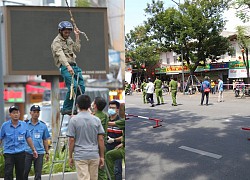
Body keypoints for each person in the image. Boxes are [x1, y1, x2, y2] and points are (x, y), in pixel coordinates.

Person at [51, 21, 85, 115]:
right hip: (65, 67)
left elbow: (77, 49)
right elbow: (61, 55)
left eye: (69, 32)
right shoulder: (56, 42)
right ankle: (66, 108)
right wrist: (68, 66)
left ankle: (76, 106)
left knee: (81, 87)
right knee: (73, 86)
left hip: (74, 66)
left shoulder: (69, 39)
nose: (67, 34)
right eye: (65, 32)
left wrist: (77, 36)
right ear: (60, 31)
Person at [67, 95, 105, 180]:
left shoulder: (74, 120)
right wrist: (102, 156)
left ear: (77, 105)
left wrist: (70, 157)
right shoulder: (96, 120)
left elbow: (71, 140)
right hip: (94, 154)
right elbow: (101, 139)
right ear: (89, 106)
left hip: (80, 155)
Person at [0, 105, 38, 180]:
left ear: (19, 114)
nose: (16, 114)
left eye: (17, 112)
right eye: (13, 113)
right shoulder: (5, 126)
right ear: (10, 114)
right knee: (8, 173)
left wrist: (34, 150)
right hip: (9, 153)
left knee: (20, 174)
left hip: (20, 153)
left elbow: (28, 138)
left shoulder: (24, 125)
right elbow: (0, 138)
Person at [24, 105, 50, 180]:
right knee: (25, 172)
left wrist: (47, 152)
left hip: (39, 152)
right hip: (27, 152)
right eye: (34, 112)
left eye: (38, 112)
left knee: (38, 174)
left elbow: (45, 140)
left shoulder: (43, 125)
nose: (36, 114)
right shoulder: (25, 124)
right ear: (30, 113)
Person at [91, 97, 109, 180]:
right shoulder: (104, 115)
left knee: (99, 171)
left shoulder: (95, 117)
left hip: (96, 146)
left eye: (93, 102)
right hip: (101, 146)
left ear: (95, 105)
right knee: (100, 170)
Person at [106, 100, 123, 180]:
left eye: (113, 108)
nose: (111, 109)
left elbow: (124, 136)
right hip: (106, 148)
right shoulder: (106, 119)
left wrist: (114, 140)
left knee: (117, 170)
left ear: (117, 109)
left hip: (117, 148)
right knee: (107, 170)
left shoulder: (121, 121)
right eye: (110, 108)